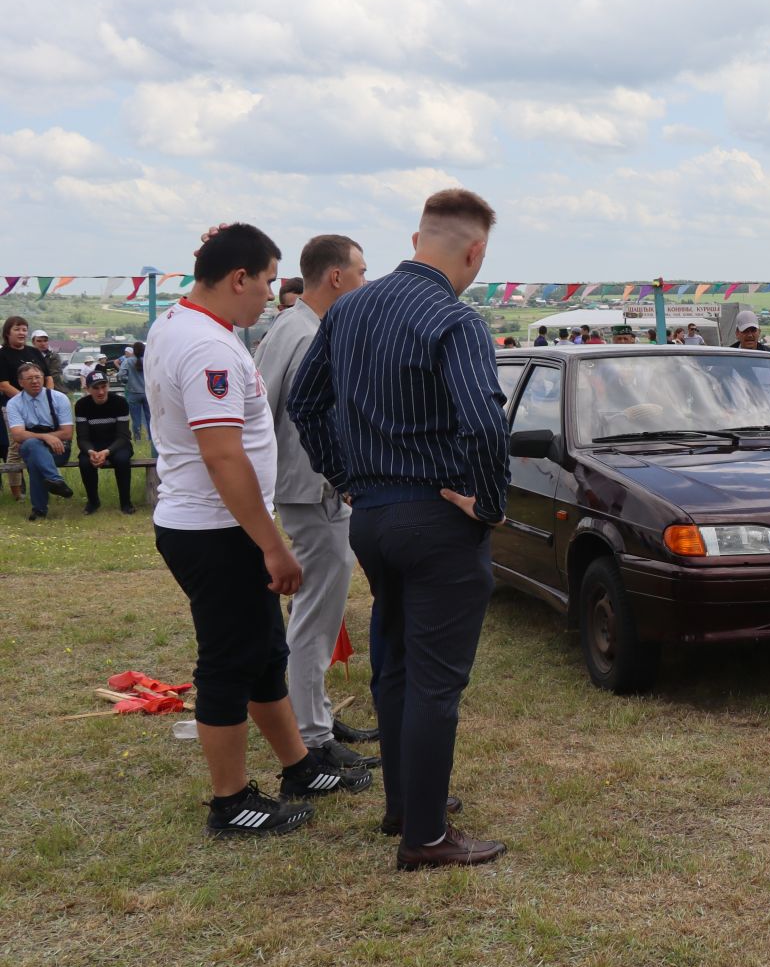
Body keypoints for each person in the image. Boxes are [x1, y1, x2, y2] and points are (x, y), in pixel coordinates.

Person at [288, 188, 509, 870]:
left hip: (372, 514)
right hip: (436, 516)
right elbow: (484, 423)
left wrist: (346, 475)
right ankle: (426, 838)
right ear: (474, 252)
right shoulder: (455, 319)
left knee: (397, 665)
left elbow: (305, 401)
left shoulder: (349, 307)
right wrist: (491, 506)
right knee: (436, 681)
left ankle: (404, 806)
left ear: (417, 240)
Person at [150, 223, 371, 840]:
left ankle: (298, 763)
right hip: (217, 530)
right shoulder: (209, 348)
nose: (276, 296)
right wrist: (271, 544)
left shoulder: (183, 326)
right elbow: (223, 456)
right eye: (270, 281)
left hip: (216, 524)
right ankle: (231, 800)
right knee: (229, 664)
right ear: (238, 278)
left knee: (265, 653)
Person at [256, 233, 377, 774]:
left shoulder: (299, 326)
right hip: (314, 490)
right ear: (335, 277)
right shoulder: (303, 332)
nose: (364, 282)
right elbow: (289, 416)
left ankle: (316, 714)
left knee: (322, 612)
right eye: (360, 272)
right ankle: (311, 733)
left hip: (313, 488)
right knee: (315, 615)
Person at [5, 363, 75, 518]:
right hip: (31, 446)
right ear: (20, 382)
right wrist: (44, 436)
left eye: (38, 377)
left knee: (35, 461)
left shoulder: (59, 398)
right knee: (32, 446)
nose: (35, 381)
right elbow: (17, 435)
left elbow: (67, 433)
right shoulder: (14, 403)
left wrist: (50, 438)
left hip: (58, 448)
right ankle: (55, 480)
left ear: (43, 378)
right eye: (29, 378)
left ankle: (39, 510)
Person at [72, 369, 134, 515]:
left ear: (108, 386)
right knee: (85, 462)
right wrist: (91, 451)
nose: (100, 392)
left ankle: (126, 502)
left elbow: (123, 435)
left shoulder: (120, 402)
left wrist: (107, 452)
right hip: (93, 445)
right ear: (87, 389)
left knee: (122, 459)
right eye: (96, 388)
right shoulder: (81, 405)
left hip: (118, 444)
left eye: (103, 386)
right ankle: (93, 502)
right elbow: (82, 438)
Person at [0, 315, 49, 499]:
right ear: (7, 333)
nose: (22, 333)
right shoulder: (2, 354)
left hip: (41, 405)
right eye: (17, 329)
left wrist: (47, 398)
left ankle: (45, 486)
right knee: (16, 447)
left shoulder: (34, 352)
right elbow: (3, 384)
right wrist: (26, 400)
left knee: (42, 442)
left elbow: (48, 376)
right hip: (13, 406)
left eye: (24, 329)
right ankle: (17, 493)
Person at [119, 340, 150, 443]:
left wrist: (127, 382)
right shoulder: (148, 360)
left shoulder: (127, 361)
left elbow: (121, 375)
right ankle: (151, 438)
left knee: (136, 418)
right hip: (147, 393)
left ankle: (138, 439)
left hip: (133, 393)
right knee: (149, 417)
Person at [34, 331, 66, 395]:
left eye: (45, 341)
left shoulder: (54, 356)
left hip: (55, 389)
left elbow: (54, 374)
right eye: (39, 341)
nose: (43, 343)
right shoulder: (29, 355)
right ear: (33, 342)